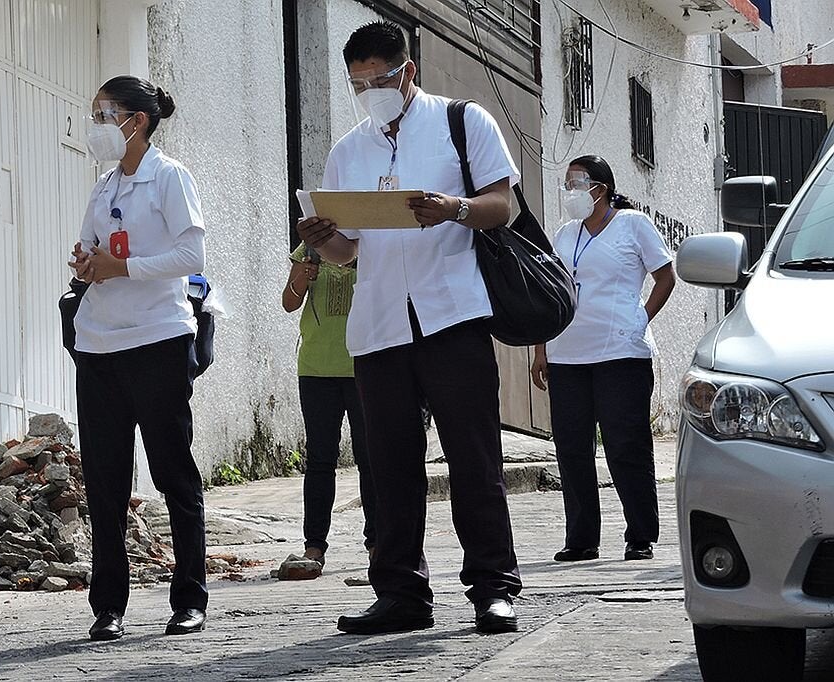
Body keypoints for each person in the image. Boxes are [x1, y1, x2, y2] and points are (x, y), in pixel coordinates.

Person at [296, 21, 522, 636]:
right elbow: (349, 252)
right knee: (388, 466)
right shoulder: (349, 150)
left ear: (408, 72)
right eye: (359, 84)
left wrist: (456, 209)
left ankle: (492, 588)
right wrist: (325, 239)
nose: (372, 91)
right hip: (378, 325)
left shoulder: (462, 121)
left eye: (381, 79)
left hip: (451, 314)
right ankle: (400, 592)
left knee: (473, 458)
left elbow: (505, 204)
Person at [68, 76, 208, 641]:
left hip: (157, 340)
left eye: (106, 115)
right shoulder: (103, 186)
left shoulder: (169, 177)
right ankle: (109, 606)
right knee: (104, 480)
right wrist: (85, 262)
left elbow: (191, 254)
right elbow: (88, 249)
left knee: (174, 471)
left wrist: (123, 267)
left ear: (138, 121)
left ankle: (190, 598)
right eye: (95, 114)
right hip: (100, 343)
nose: (98, 125)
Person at [531, 155, 676, 563]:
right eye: (566, 185)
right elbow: (551, 293)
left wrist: (639, 318)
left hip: (620, 352)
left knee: (625, 444)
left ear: (602, 188)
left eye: (577, 184)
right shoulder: (564, 234)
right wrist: (542, 349)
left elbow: (666, 275)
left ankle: (640, 535)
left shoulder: (633, 224)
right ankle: (581, 539)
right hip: (567, 355)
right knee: (572, 447)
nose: (570, 192)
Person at [280, 245, 376, 572]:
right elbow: (289, 303)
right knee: (320, 459)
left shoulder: (371, 245)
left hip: (364, 365)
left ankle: (377, 544)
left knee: (370, 458)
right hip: (316, 368)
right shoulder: (310, 251)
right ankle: (314, 547)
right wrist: (304, 278)